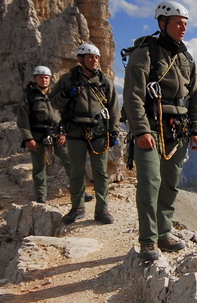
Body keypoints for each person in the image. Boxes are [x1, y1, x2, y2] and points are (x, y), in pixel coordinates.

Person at [123, 0, 197, 261]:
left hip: (178, 131)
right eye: (178, 23)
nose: (183, 28)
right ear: (162, 23)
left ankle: (164, 232)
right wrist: (141, 130)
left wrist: (196, 131)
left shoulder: (187, 59)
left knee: (170, 183)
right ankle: (148, 240)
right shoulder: (145, 53)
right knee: (149, 182)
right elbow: (133, 96)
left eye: (185, 24)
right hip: (150, 128)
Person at [51, 43, 120, 224]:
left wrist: (114, 131)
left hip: (98, 131)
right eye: (90, 57)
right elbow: (54, 103)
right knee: (76, 171)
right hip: (75, 131)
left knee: (100, 173)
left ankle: (102, 210)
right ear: (81, 60)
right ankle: (77, 208)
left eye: (96, 57)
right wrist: (67, 94)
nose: (95, 60)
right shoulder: (67, 80)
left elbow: (113, 108)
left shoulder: (104, 82)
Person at [16, 65, 71, 203]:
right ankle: (41, 195)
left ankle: (79, 191)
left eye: (46, 77)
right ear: (35, 78)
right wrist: (28, 138)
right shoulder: (28, 96)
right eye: (41, 77)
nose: (44, 80)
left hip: (56, 134)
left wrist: (63, 133)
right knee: (39, 166)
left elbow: (64, 114)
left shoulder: (55, 94)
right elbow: (23, 119)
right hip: (37, 135)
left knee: (70, 160)